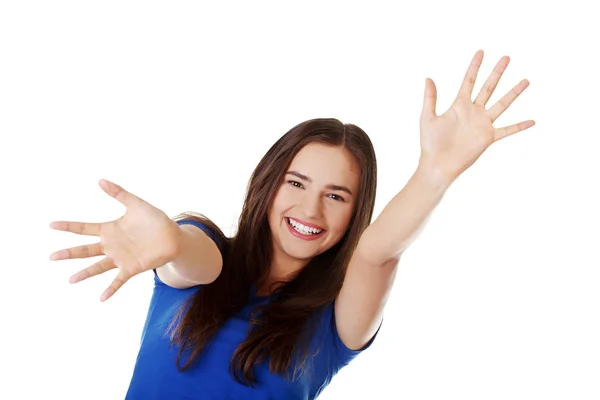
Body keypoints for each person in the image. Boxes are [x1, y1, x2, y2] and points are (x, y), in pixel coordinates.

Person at [49, 50, 535, 399]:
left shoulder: (336, 321)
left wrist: (434, 173)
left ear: (355, 212)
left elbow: (377, 252)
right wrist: (171, 241)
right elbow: (190, 260)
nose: (311, 211)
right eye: (296, 184)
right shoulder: (206, 251)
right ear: (268, 182)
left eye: (336, 195)